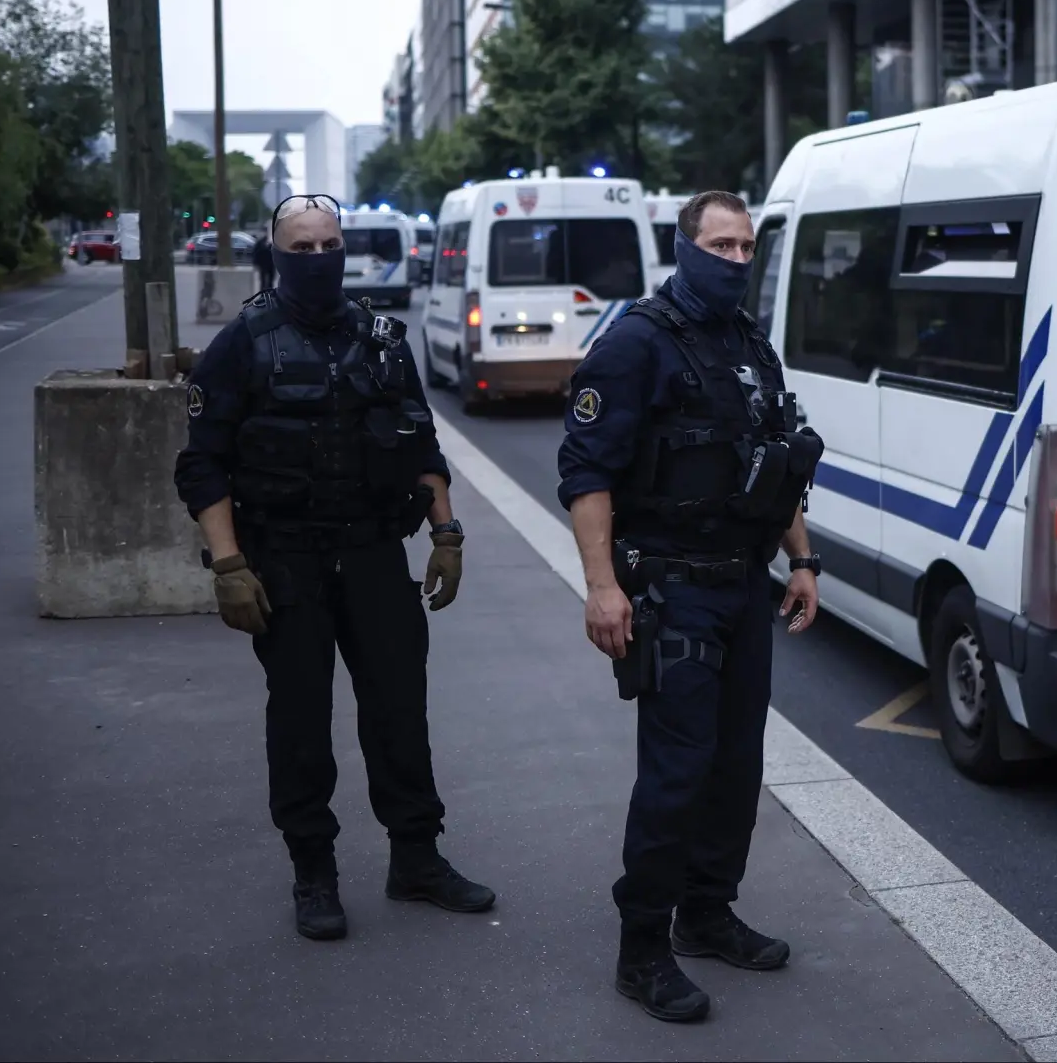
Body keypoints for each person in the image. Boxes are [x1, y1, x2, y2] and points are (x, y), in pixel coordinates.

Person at [173, 192, 494, 942]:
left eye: (328, 246)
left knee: (399, 714)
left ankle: (417, 858)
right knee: (300, 722)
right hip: (286, 563)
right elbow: (203, 466)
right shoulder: (242, 344)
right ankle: (313, 871)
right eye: (303, 247)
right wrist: (228, 564)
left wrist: (446, 534)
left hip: (376, 555)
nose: (318, 259)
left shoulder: (383, 339)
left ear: (343, 248)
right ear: (278, 252)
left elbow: (421, 445)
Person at [557, 191, 825, 1022]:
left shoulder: (750, 344)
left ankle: (706, 915)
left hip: (744, 585)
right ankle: (642, 950)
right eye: (721, 246)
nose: (736, 260)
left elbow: (773, 464)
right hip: (671, 592)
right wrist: (603, 587)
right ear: (685, 247)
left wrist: (803, 559)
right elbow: (586, 474)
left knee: (736, 768)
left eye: (747, 248)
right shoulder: (637, 341)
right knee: (676, 776)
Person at [252, 229, 275, 294]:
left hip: (271, 264)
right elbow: (256, 253)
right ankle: (263, 294)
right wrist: (256, 263)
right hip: (263, 264)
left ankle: (270, 293)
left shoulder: (272, 242)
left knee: (271, 280)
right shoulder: (260, 242)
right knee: (263, 280)